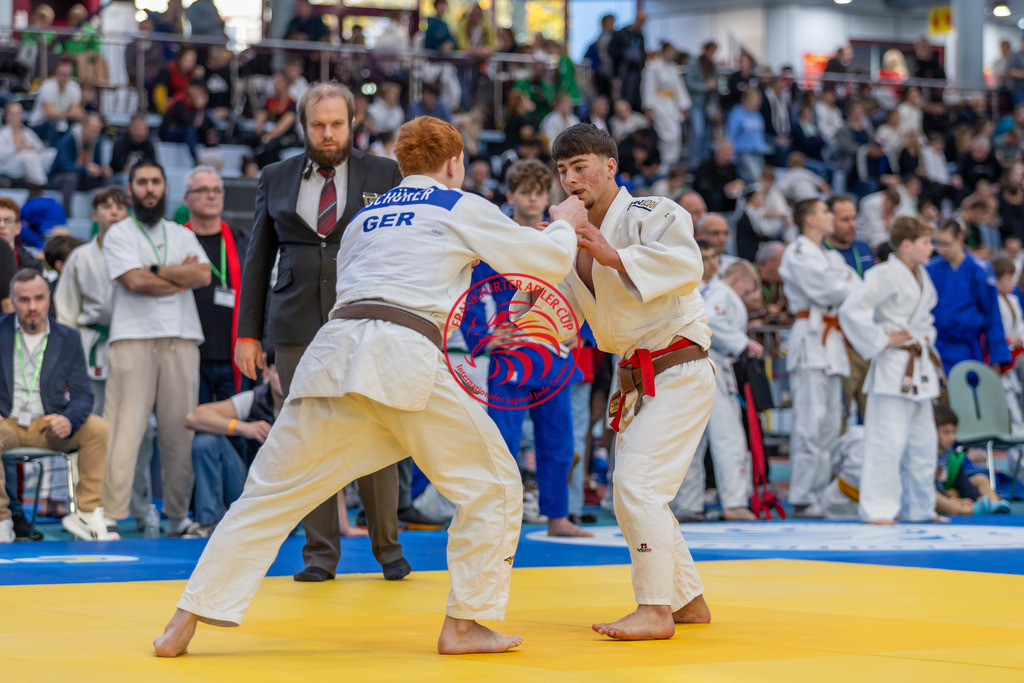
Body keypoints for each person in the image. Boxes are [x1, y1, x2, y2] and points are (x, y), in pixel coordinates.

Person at [153, 115, 583, 657]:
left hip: (331, 358)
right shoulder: (458, 204)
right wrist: (563, 222)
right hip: (401, 355)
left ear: (402, 165)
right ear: (455, 163)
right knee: (493, 486)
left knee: (268, 495)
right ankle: (465, 625)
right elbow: (547, 262)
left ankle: (184, 619)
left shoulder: (365, 216)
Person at [514, 123, 716, 640]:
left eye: (580, 167)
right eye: (563, 171)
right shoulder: (568, 243)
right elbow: (549, 314)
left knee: (637, 485)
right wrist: (531, 271)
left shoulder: (654, 212)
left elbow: (687, 266)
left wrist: (613, 254)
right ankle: (687, 600)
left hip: (678, 365)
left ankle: (655, 609)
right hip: (636, 379)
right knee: (632, 494)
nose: (571, 180)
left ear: (610, 166)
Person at [235, 83, 408, 584]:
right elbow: (257, 258)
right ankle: (319, 555)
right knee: (307, 434)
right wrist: (248, 334)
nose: (327, 133)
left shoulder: (386, 173)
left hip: (368, 317)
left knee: (377, 429)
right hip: (295, 323)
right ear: (303, 126)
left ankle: (388, 549)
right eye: (318, 125)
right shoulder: (276, 176)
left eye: (336, 124)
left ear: (352, 123)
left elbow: (404, 248)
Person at [461, 159, 591, 538]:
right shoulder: (496, 239)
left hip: (552, 354)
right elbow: (472, 291)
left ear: (547, 197)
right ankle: (498, 517)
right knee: (502, 441)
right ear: (510, 195)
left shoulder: (559, 237)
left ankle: (557, 516)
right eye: (525, 192)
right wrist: (482, 337)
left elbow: (581, 287)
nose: (533, 199)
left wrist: (580, 329)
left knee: (559, 442)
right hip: (511, 355)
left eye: (539, 192)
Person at [101, 160, 212, 535]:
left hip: (181, 337)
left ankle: (178, 517)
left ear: (165, 188)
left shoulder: (181, 233)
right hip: (132, 337)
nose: (149, 189)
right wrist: (178, 278)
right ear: (130, 190)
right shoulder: (119, 234)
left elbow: (202, 275)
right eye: (142, 182)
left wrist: (154, 270)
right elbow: (134, 283)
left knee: (179, 433)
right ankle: (111, 515)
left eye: (156, 182)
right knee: (124, 431)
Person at [839, 216, 941, 524]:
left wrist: (925, 337)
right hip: (893, 365)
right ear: (906, 245)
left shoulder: (922, 276)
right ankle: (878, 509)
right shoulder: (883, 274)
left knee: (924, 443)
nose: (931, 248)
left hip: (919, 367)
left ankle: (920, 508)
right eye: (925, 242)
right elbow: (851, 310)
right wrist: (881, 339)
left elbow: (926, 320)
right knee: (886, 442)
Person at [0, 269, 113, 542]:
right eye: (24, 300)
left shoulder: (68, 337)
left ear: (49, 297)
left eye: (39, 298)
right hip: (7, 423)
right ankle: (2, 519)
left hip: (50, 423)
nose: (32, 307)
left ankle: (87, 513)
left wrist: (69, 419)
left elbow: (83, 394)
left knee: (97, 428)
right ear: (12, 301)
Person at [779, 199, 860, 517]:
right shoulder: (797, 252)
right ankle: (801, 495)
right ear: (810, 219)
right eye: (826, 212)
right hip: (811, 338)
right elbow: (826, 289)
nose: (831, 217)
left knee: (829, 423)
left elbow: (856, 287)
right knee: (810, 421)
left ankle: (818, 492)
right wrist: (843, 284)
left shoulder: (831, 256)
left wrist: (843, 285)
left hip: (832, 342)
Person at [679, 261, 763, 521]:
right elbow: (711, 320)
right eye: (747, 291)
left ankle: (688, 503)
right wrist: (743, 342)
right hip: (712, 365)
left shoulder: (707, 291)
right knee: (728, 438)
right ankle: (734, 502)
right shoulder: (723, 292)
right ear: (736, 279)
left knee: (693, 439)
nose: (746, 297)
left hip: (693, 366)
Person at [184, 348, 283, 537]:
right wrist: (243, 428)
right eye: (279, 372)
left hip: (286, 501)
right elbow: (193, 417)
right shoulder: (254, 399)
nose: (286, 379)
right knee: (206, 442)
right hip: (249, 493)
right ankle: (208, 523)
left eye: (291, 372)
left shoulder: (307, 406)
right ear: (266, 373)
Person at [54, 187, 129, 415]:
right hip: (89, 343)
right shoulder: (80, 257)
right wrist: (65, 355)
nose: (114, 212)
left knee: (128, 413)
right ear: (94, 215)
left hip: (128, 341)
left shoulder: (138, 254)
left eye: (120, 207)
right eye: (106, 207)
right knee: (89, 411)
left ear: (127, 214)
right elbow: (66, 310)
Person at [182, 166, 249, 403]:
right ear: (186, 198)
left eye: (217, 190)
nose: (211, 196)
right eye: (203, 190)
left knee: (237, 423)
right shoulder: (176, 242)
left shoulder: (242, 240)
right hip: (190, 354)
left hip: (235, 355)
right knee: (193, 423)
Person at [927, 218, 1010, 374]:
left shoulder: (980, 270)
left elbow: (992, 315)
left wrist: (996, 357)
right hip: (938, 345)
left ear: (960, 239)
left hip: (968, 348)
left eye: (946, 244)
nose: (942, 250)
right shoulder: (930, 269)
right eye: (938, 244)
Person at [641, 41, 690, 168]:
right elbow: (648, 87)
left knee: (676, 134)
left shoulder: (673, 67)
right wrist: (648, 107)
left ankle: (672, 163)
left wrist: (683, 105)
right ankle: (663, 164)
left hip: (672, 104)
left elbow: (679, 88)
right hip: (659, 104)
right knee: (667, 135)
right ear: (664, 51)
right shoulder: (653, 66)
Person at [992, 256, 1024, 434]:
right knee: (1007, 404)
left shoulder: (1013, 300)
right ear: (997, 280)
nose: (1012, 282)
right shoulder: (992, 302)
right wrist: (1008, 339)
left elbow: (1018, 329)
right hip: (1000, 358)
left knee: (1015, 400)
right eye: (1008, 278)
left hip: (1015, 357)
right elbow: (991, 332)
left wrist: (1018, 339)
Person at [0, 102, 57, 188]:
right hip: (11, 164)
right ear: (7, 116)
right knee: (30, 156)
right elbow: (2, 155)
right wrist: (17, 148)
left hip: (30, 160)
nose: (18, 117)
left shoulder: (27, 132)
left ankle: (53, 180)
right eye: (15, 114)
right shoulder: (3, 134)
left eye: (19, 113)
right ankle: (41, 185)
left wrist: (32, 148)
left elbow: (40, 148)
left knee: (52, 153)